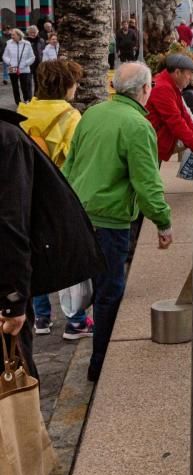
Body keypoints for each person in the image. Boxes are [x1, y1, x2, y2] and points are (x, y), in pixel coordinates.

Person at [62, 63, 174, 383]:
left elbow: (71, 165)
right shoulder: (138, 125)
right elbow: (147, 183)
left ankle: (96, 354)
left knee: (95, 287)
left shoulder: (94, 114)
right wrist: (163, 223)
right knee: (110, 291)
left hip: (81, 213)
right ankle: (100, 365)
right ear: (144, 90)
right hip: (110, 220)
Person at [1, 106, 105, 383]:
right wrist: (14, 303)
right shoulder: (7, 138)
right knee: (16, 378)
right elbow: (10, 225)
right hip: (5, 291)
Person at [17, 59, 94, 338]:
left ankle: (41, 319)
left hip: (28, 189)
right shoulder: (70, 116)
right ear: (66, 85)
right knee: (66, 253)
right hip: (60, 191)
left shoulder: (24, 110)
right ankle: (75, 320)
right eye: (75, 82)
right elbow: (77, 157)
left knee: (35, 254)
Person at [147, 54, 193, 163]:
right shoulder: (163, 88)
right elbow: (176, 122)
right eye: (190, 73)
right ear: (177, 73)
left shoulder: (169, 85)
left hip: (154, 142)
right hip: (149, 145)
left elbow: (185, 117)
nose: (191, 78)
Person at [3, 28, 35, 105]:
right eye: (11, 35)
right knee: (15, 86)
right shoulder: (9, 43)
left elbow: (32, 57)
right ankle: (18, 102)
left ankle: (26, 100)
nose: (12, 36)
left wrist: (25, 63)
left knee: (25, 86)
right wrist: (10, 62)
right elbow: (5, 56)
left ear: (19, 35)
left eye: (13, 35)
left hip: (24, 69)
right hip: (12, 68)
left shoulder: (27, 44)